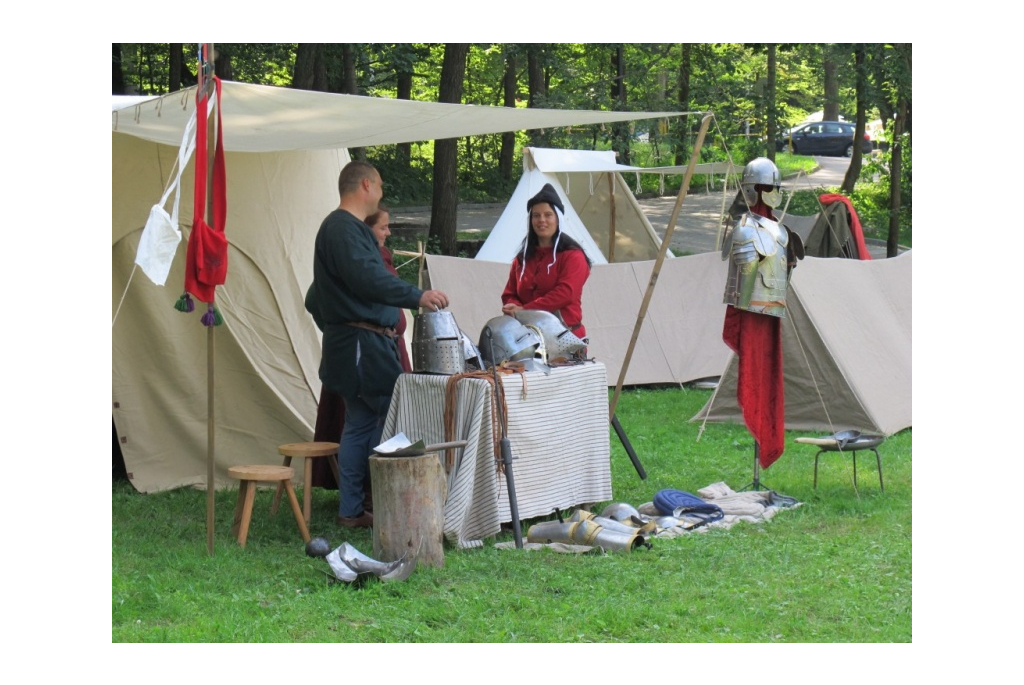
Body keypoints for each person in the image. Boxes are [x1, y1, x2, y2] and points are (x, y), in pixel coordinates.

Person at [311, 161, 448, 528]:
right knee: (379, 422)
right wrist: (416, 296)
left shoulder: (347, 230)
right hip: (362, 347)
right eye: (381, 186)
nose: (383, 194)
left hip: (360, 344)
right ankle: (378, 504)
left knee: (363, 423)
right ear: (367, 185)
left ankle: (355, 507)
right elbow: (369, 280)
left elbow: (319, 297)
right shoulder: (341, 229)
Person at [721, 157, 802, 471]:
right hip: (754, 315)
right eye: (767, 187)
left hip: (770, 315)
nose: (772, 192)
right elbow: (741, 290)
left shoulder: (780, 232)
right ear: (754, 190)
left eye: (774, 187)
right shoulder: (745, 231)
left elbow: (785, 274)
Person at [501, 183, 592, 340]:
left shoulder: (573, 256)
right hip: (527, 338)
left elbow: (565, 294)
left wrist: (524, 310)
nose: (541, 220)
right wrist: (513, 307)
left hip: (565, 337)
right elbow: (510, 292)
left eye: (548, 215)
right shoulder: (522, 258)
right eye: (536, 215)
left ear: (558, 218)